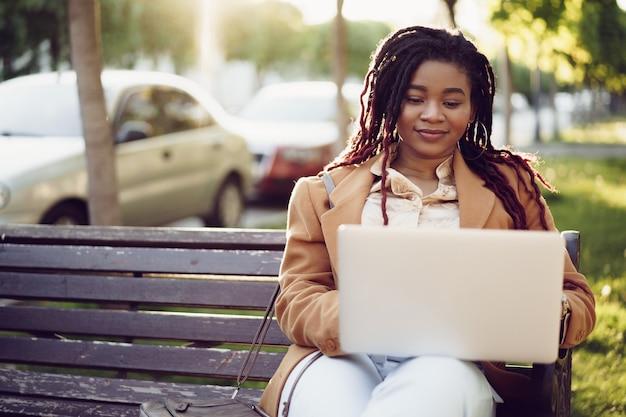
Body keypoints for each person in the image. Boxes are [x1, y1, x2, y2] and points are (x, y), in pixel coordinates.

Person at [258, 25, 596, 417]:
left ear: (472, 109)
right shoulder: (321, 193)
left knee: (434, 389)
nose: (432, 115)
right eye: (414, 99)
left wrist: (543, 311)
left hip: (453, 366)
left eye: (452, 102)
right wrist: (364, 317)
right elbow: (297, 299)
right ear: (389, 101)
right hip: (341, 358)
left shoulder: (509, 189)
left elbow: (577, 297)